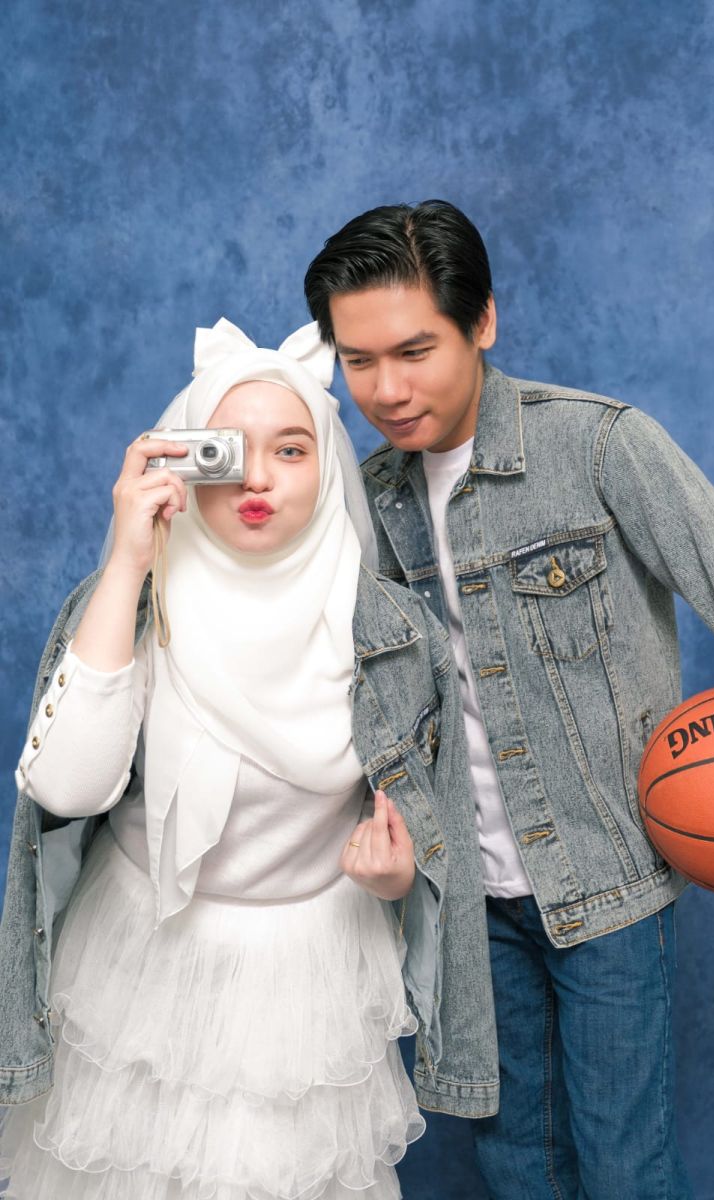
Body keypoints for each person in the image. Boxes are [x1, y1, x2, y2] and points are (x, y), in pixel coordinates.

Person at [303, 200, 714, 1200]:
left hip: (605, 879)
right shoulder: (364, 501)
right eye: (358, 361)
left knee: (625, 1171)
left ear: (481, 321)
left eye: (414, 351)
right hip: (463, 900)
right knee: (517, 1168)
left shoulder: (599, 445)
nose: (387, 390)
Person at [0, 318, 498, 1198]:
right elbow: (68, 788)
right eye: (226, 452)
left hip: (307, 984)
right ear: (184, 463)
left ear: (329, 469)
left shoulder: (390, 635)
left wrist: (395, 877)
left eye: (292, 450)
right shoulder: (136, 602)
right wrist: (127, 558)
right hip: (140, 967)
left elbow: (435, 852)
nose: (258, 479)